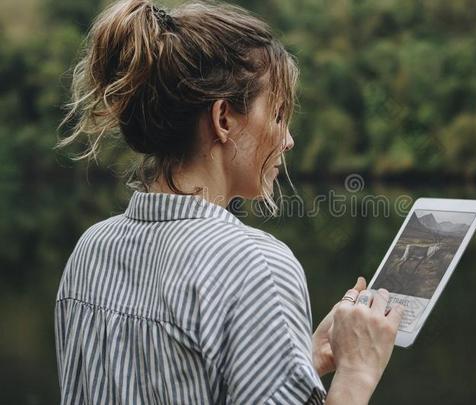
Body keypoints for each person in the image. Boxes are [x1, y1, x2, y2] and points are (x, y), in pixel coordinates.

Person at [54, 1, 405, 403]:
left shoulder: (91, 250)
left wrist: (295, 357)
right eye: (277, 116)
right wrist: (358, 371)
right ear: (223, 119)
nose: (287, 139)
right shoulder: (257, 265)